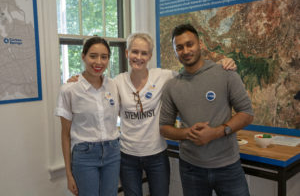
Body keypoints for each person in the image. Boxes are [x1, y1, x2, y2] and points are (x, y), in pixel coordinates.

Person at [67, 33, 237, 196]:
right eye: (134, 52)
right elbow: (95, 83)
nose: (138, 57)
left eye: (144, 53)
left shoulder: (164, 76)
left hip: (157, 154)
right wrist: (77, 79)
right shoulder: (116, 82)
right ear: (127, 53)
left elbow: (193, 74)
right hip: (127, 156)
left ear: (149, 56)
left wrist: (219, 64)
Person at [159, 23, 254, 196]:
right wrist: (189, 133)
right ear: (174, 51)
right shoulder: (172, 86)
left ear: (200, 44)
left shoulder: (226, 73)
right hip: (191, 168)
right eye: (179, 47)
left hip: (228, 167)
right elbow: (164, 128)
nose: (186, 51)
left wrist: (216, 132)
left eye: (190, 44)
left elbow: (247, 114)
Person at [55, 36, 120, 196]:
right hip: (84, 155)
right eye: (93, 56)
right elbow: (65, 135)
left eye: (104, 57)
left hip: (113, 152)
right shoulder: (69, 90)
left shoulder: (113, 85)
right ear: (83, 56)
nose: (98, 62)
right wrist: (69, 174)